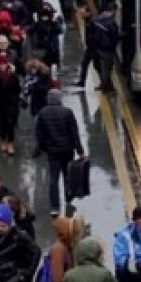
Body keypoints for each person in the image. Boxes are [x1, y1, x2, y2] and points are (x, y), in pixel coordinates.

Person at [34, 89, 85, 217]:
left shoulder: (43, 113)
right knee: (68, 175)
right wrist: (80, 150)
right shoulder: (67, 112)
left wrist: (40, 148)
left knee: (53, 179)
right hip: (67, 150)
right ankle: (68, 198)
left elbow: (39, 133)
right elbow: (74, 133)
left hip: (52, 151)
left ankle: (55, 207)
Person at [0, 53, 22, 156]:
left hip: (11, 104)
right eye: (0, 64)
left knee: (10, 123)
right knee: (2, 123)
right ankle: (3, 140)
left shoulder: (12, 76)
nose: (2, 66)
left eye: (4, 64)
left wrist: (15, 101)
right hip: (0, 104)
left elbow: (17, 89)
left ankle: (10, 142)